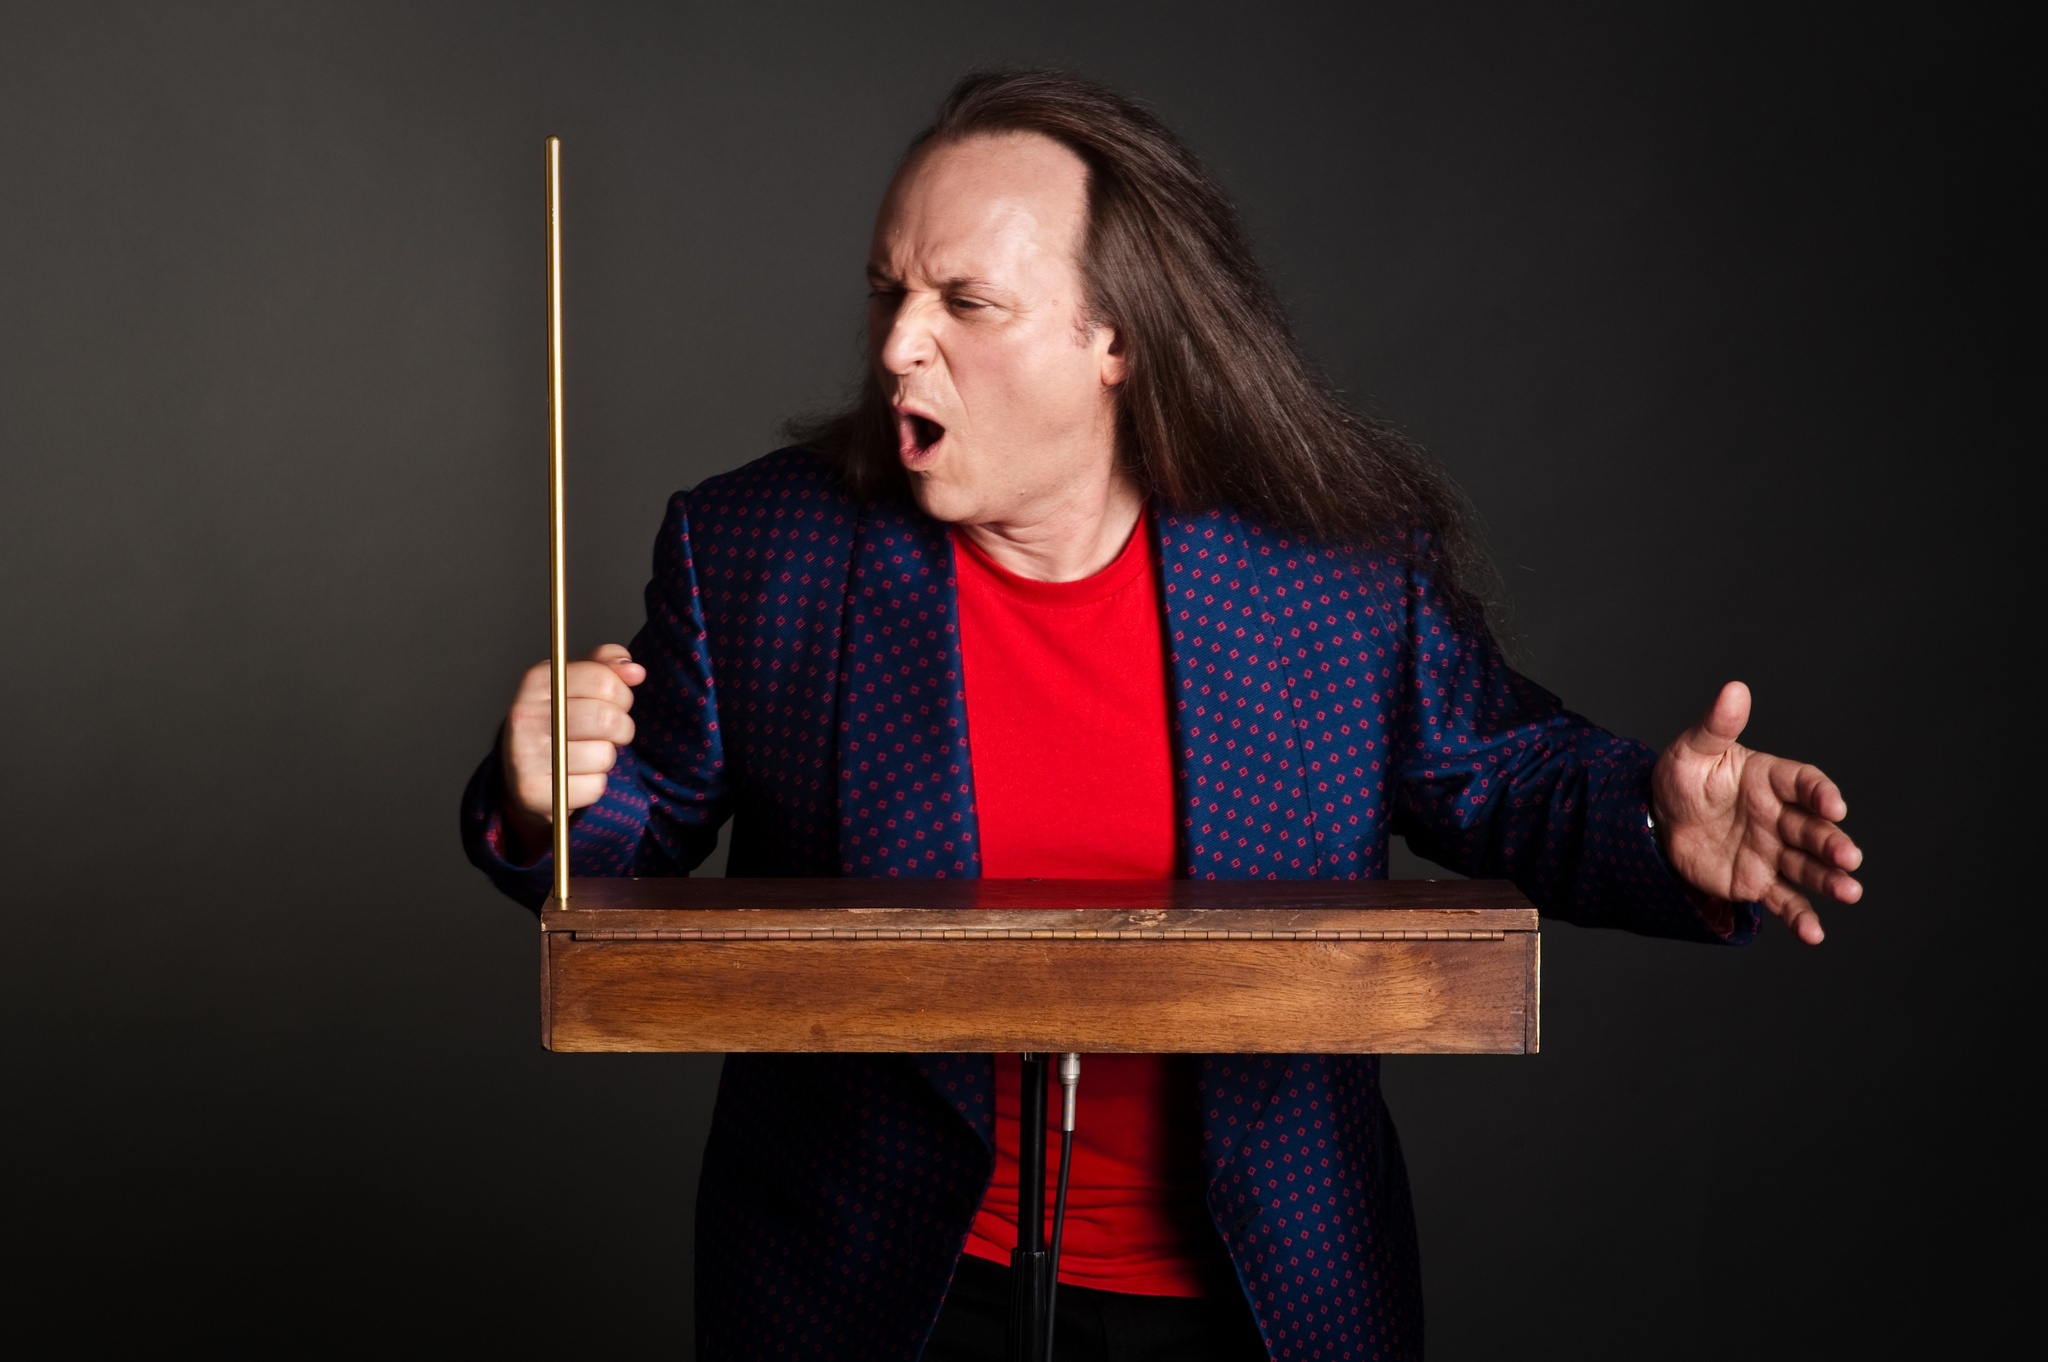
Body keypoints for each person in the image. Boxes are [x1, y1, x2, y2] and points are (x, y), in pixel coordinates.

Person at [462, 69, 1862, 1362]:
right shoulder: (761, 548)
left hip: (1250, 1300)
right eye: (889, 290)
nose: (897, 345)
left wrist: (1657, 826)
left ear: (1118, 338)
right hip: (881, 1290)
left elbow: (1504, 779)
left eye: (967, 301)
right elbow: (631, 837)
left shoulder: (1334, 574)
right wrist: (547, 794)